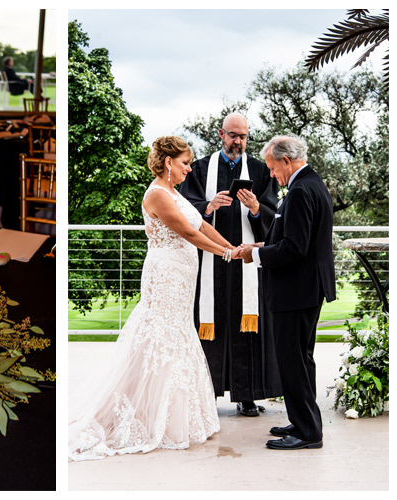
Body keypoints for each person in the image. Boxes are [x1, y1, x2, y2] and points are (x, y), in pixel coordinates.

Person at [69, 136, 237, 461]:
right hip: (165, 275)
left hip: (183, 276)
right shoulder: (156, 194)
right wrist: (227, 255)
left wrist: (232, 246)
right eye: (185, 163)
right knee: (159, 336)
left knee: (177, 334)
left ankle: (181, 415)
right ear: (168, 162)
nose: (189, 168)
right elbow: (187, 233)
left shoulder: (175, 193)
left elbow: (201, 223)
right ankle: (146, 414)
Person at [179, 112, 282, 417]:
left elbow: (273, 217)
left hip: (246, 261)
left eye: (243, 136)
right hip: (209, 261)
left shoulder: (263, 172)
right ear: (220, 134)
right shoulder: (198, 170)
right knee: (207, 326)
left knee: (246, 326)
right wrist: (208, 207)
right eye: (233, 135)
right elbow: (185, 210)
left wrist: (254, 208)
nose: (238, 141)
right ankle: (206, 392)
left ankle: (246, 395)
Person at [236, 135, 335, 450]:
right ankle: (303, 420)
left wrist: (255, 255)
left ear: (285, 161)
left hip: (296, 291)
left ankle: (308, 432)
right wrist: (261, 245)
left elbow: (294, 248)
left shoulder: (301, 191)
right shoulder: (310, 184)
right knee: (301, 360)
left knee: (293, 361)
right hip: (304, 289)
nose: (272, 175)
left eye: (272, 168)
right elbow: (294, 240)